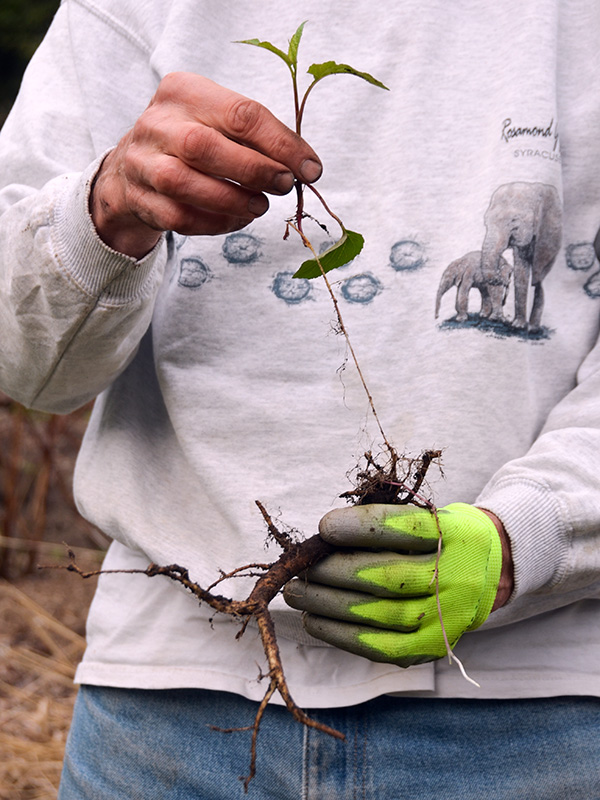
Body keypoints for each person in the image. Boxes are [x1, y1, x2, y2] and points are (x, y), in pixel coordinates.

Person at [1, 1, 599, 797]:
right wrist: (106, 210)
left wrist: (533, 533)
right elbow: (30, 371)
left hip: (538, 712)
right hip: (168, 718)